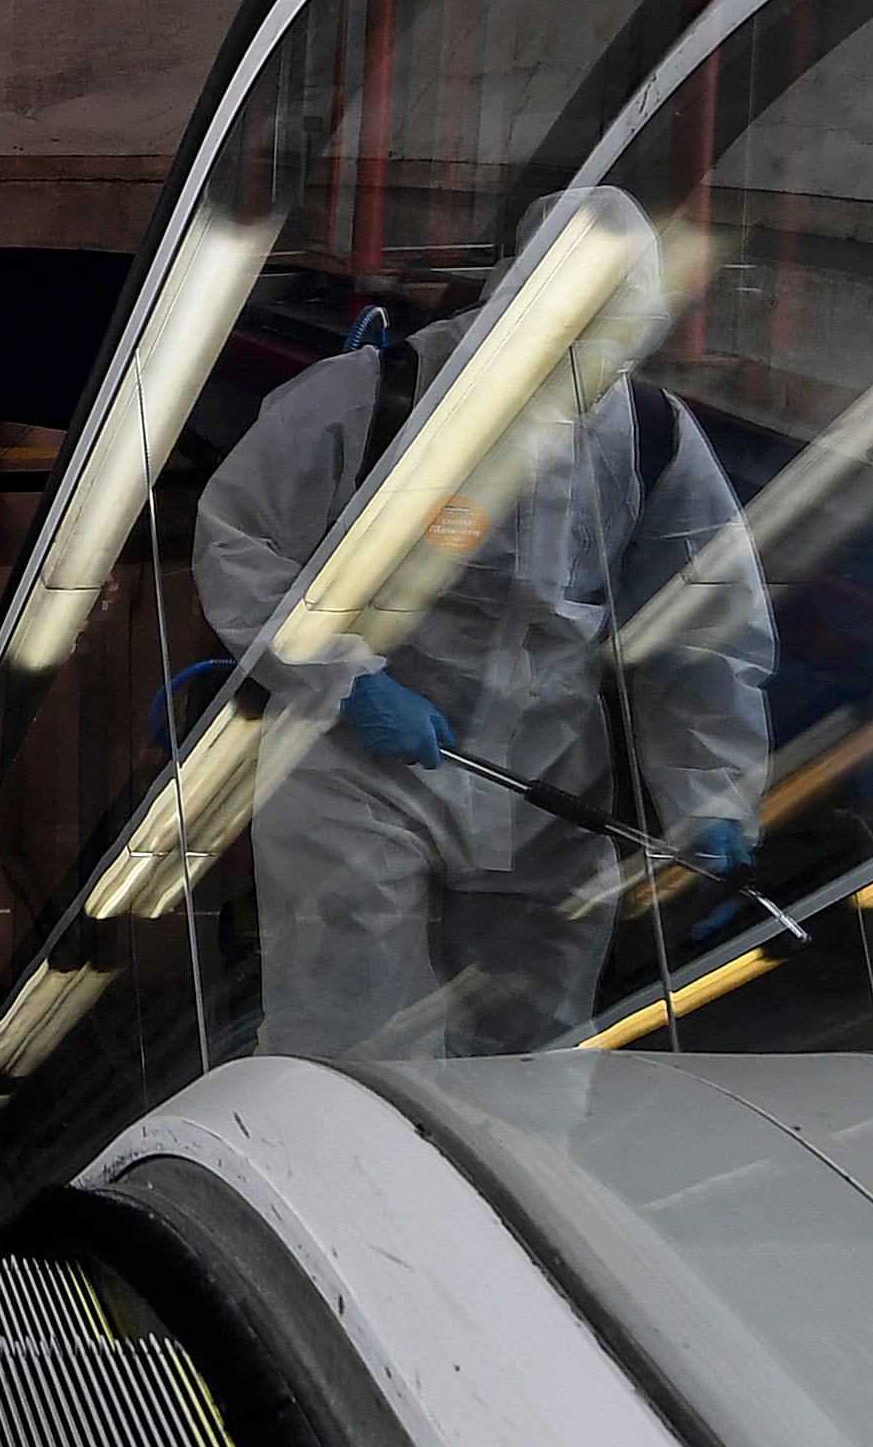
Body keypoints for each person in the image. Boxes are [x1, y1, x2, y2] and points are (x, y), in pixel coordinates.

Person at [193, 188, 774, 1059]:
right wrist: (344, 678)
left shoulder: (647, 432)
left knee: (533, 1049)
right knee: (349, 1031)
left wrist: (712, 794)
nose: (589, 366)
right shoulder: (377, 398)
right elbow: (238, 540)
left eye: (615, 342)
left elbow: (704, 625)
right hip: (355, 771)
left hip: (547, 782)